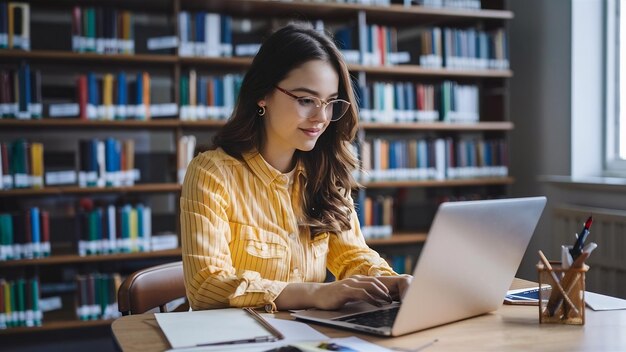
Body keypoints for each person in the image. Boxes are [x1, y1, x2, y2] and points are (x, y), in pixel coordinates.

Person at [180, 23, 411, 313]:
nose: (321, 117)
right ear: (262, 94)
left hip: (308, 335)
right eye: (305, 100)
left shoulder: (325, 173)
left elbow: (352, 257)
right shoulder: (211, 173)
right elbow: (206, 286)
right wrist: (314, 293)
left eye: (330, 103)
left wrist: (393, 282)